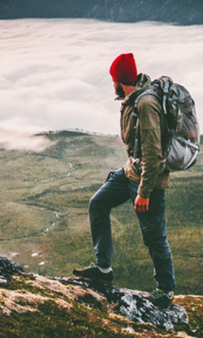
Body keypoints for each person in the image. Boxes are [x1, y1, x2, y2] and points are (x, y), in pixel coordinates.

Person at [73, 52, 176, 307]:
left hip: (146, 181)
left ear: (120, 80)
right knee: (98, 203)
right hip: (130, 171)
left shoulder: (145, 104)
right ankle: (103, 269)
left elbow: (154, 153)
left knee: (154, 236)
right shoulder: (132, 99)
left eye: (113, 80)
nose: (112, 86)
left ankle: (165, 290)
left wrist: (144, 192)